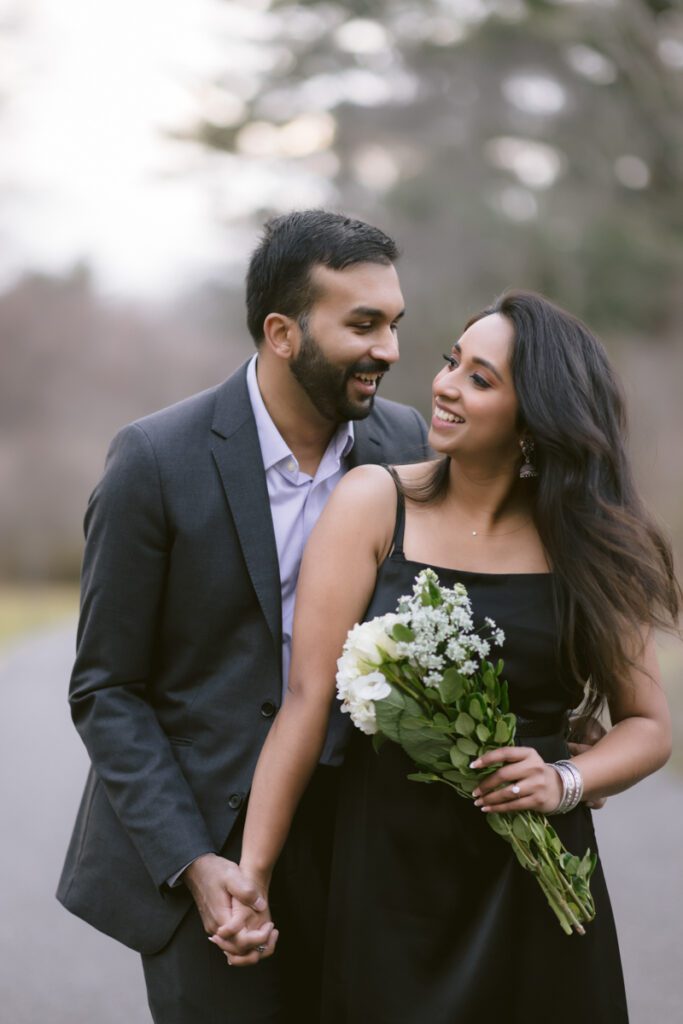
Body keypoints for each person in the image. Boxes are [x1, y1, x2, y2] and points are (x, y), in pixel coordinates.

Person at [223, 291, 679, 1023]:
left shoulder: (591, 541)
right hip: (391, 872)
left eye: (479, 377)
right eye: (450, 362)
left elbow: (647, 727)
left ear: (537, 416)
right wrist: (254, 874)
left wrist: (563, 780)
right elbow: (307, 701)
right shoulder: (373, 503)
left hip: (536, 883)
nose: (442, 384)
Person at [56, 209, 432, 1024]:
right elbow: (105, 688)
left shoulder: (406, 446)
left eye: (394, 324)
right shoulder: (155, 461)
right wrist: (194, 862)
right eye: (362, 324)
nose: (389, 351)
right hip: (208, 845)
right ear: (281, 332)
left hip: (371, 844)